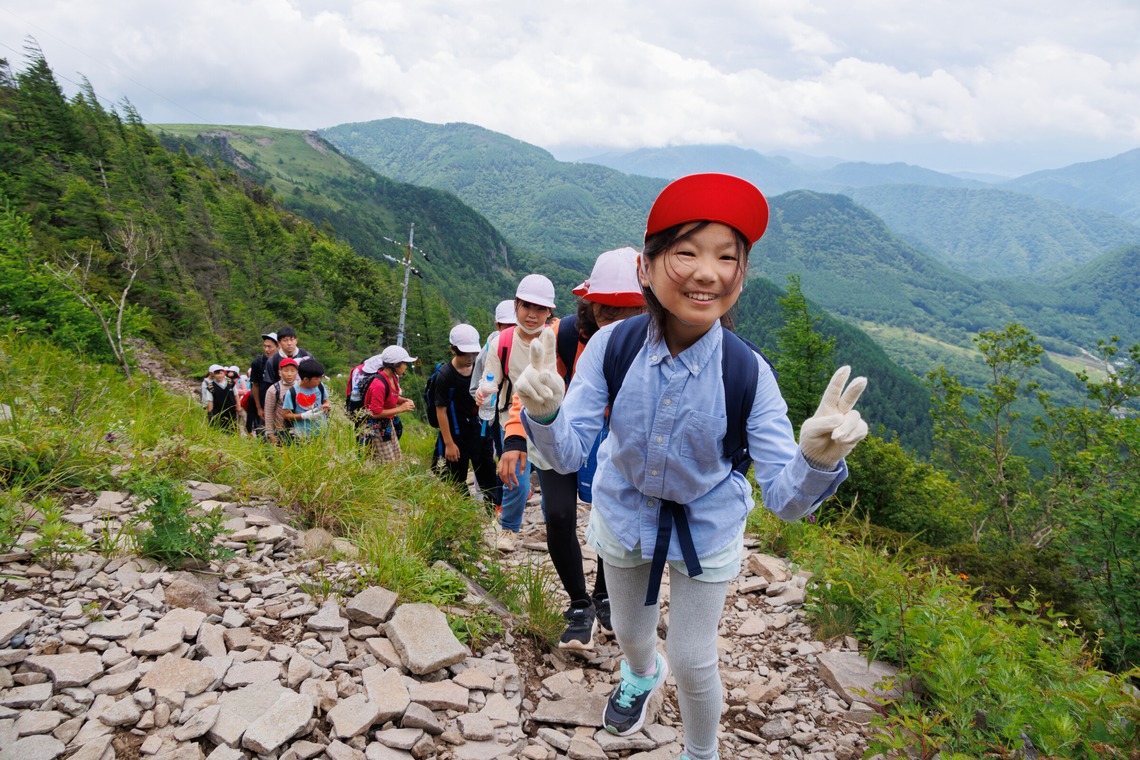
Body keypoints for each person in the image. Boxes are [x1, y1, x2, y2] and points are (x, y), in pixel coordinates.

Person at [515, 174, 869, 760]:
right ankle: (639, 674)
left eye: (728, 257)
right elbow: (571, 453)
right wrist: (547, 415)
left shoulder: (748, 373)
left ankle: (701, 752)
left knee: (694, 656)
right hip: (625, 512)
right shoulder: (613, 347)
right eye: (687, 252)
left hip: (706, 524)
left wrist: (814, 460)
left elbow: (784, 499)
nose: (709, 272)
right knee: (630, 632)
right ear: (647, 268)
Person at [522, 246, 646, 650]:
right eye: (606, 310)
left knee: (611, 515)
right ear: (590, 305)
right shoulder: (562, 336)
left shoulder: (656, 344)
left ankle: (605, 594)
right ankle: (580, 603)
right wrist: (516, 435)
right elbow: (528, 387)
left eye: (629, 311)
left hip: (612, 438)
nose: (615, 321)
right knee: (559, 514)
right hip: (556, 428)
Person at [475, 275, 557, 552]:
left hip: (549, 417)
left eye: (540, 309)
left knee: (552, 478)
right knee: (516, 480)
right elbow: (491, 379)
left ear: (549, 312)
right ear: (516, 306)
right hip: (511, 419)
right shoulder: (502, 342)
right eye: (526, 306)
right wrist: (483, 392)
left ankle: (554, 528)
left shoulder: (554, 338)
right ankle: (508, 529)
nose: (532, 314)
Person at [433, 324, 501, 510]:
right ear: (453, 349)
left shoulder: (480, 370)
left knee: (488, 477)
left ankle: (491, 514)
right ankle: (462, 516)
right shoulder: (445, 376)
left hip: (480, 432)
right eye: (465, 353)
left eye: (474, 353)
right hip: (456, 437)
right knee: (456, 481)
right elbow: (441, 410)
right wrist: (448, 443)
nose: (470, 358)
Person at [362, 345, 417, 462]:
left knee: (397, 457)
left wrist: (403, 400)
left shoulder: (393, 378)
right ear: (396, 365)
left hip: (387, 423)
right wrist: (401, 409)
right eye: (404, 363)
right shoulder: (379, 384)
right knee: (387, 463)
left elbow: (390, 397)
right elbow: (374, 413)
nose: (406, 367)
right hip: (376, 427)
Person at [281, 360, 331, 440]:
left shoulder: (320, 386)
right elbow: (285, 415)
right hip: (302, 435)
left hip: (322, 432)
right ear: (306, 380)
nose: (319, 380)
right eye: (316, 378)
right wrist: (303, 416)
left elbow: (326, 400)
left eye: (320, 377)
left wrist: (326, 405)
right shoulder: (292, 392)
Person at [263, 357, 300, 445]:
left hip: (300, 429)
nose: (289, 374)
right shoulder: (274, 389)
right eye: (286, 371)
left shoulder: (301, 387)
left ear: (297, 372)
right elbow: (268, 412)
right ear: (280, 372)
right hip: (281, 430)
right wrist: (270, 433)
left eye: (292, 371)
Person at [248, 332, 278, 437]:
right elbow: (255, 385)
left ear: (278, 347)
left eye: (269, 347)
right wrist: (259, 407)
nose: (266, 350)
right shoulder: (257, 362)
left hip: (280, 405)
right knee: (263, 433)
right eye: (265, 346)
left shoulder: (284, 362)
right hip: (263, 403)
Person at [202, 364, 237, 431]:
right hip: (218, 410)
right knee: (220, 428)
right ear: (214, 375)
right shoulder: (211, 387)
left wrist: (238, 405)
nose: (219, 375)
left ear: (224, 373)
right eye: (217, 374)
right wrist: (210, 413)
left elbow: (236, 394)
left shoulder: (230, 383)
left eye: (221, 373)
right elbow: (210, 401)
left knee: (232, 428)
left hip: (231, 409)